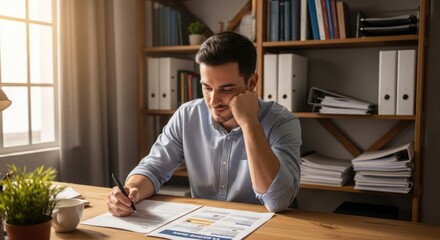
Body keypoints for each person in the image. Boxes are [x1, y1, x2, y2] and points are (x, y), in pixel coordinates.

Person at [107, 31, 301, 216]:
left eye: (226, 89)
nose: (213, 101)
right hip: (204, 226)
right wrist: (131, 191)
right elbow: (154, 169)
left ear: (251, 83)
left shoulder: (282, 122)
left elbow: (278, 201)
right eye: (207, 88)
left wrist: (249, 123)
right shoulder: (187, 115)